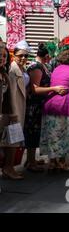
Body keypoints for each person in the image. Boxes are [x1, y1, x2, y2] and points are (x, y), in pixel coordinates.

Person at [24, 43, 67, 172]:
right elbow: (35, 89)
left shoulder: (42, 65)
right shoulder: (36, 67)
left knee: (35, 133)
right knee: (32, 133)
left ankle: (31, 160)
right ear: (47, 56)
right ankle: (31, 162)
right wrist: (54, 89)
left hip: (40, 104)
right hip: (34, 105)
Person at [40, 48, 69, 172]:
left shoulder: (56, 69)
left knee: (52, 134)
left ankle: (52, 162)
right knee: (65, 134)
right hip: (65, 106)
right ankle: (62, 163)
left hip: (50, 104)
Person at [0, 42, 23, 180]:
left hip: (8, 115)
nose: (2, 58)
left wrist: (14, 114)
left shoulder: (5, 74)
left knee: (14, 141)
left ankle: (8, 168)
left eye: (4, 56)